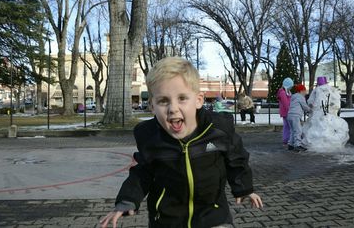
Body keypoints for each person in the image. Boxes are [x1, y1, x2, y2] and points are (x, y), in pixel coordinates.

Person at [100, 57, 263, 228]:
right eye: (163, 101)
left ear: (198, 100)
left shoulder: (218, 130)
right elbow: (142, 172)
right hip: (167, 220)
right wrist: (127, 199)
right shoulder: (150, 137)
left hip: (212, 216)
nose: (173, 108)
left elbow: (236, 158)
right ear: (152, 106)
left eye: (182, 98)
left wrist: (244, 188)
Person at [287, 84, 311, 152]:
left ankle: (290, 144)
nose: (305, 92)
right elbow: (304, 106)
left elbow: (298, 106)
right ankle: (297, 145)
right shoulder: (300, 97)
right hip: (295, 115)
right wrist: (310, 110)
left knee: (292, 130)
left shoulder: (293, 97)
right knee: (298, 130)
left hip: (290, 115)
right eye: (305, 91)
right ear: (301, 91)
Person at [276, 78, 294, 145]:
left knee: (287, 126)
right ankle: (286, 139)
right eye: (291, 86)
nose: (291, 88)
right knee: (288, 126)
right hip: (286, 112)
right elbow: (285, 103)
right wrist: (290, 111)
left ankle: (287, 139)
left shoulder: (287, 92)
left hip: (287, 111)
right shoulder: (283, 93)